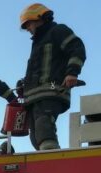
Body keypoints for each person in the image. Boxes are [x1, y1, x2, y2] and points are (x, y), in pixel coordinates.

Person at [19, 3, 86, 150]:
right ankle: (46, 156)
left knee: (44, 124)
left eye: (28, 24)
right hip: (36, 96)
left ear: (39, 18)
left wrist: (72, 72)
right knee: (35, 135)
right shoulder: (38, 43)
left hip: (52, 88)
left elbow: (77, 48)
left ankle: (52, 156)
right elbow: (40, 69)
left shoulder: (57, 31)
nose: (28, 29)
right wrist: (25, 84)